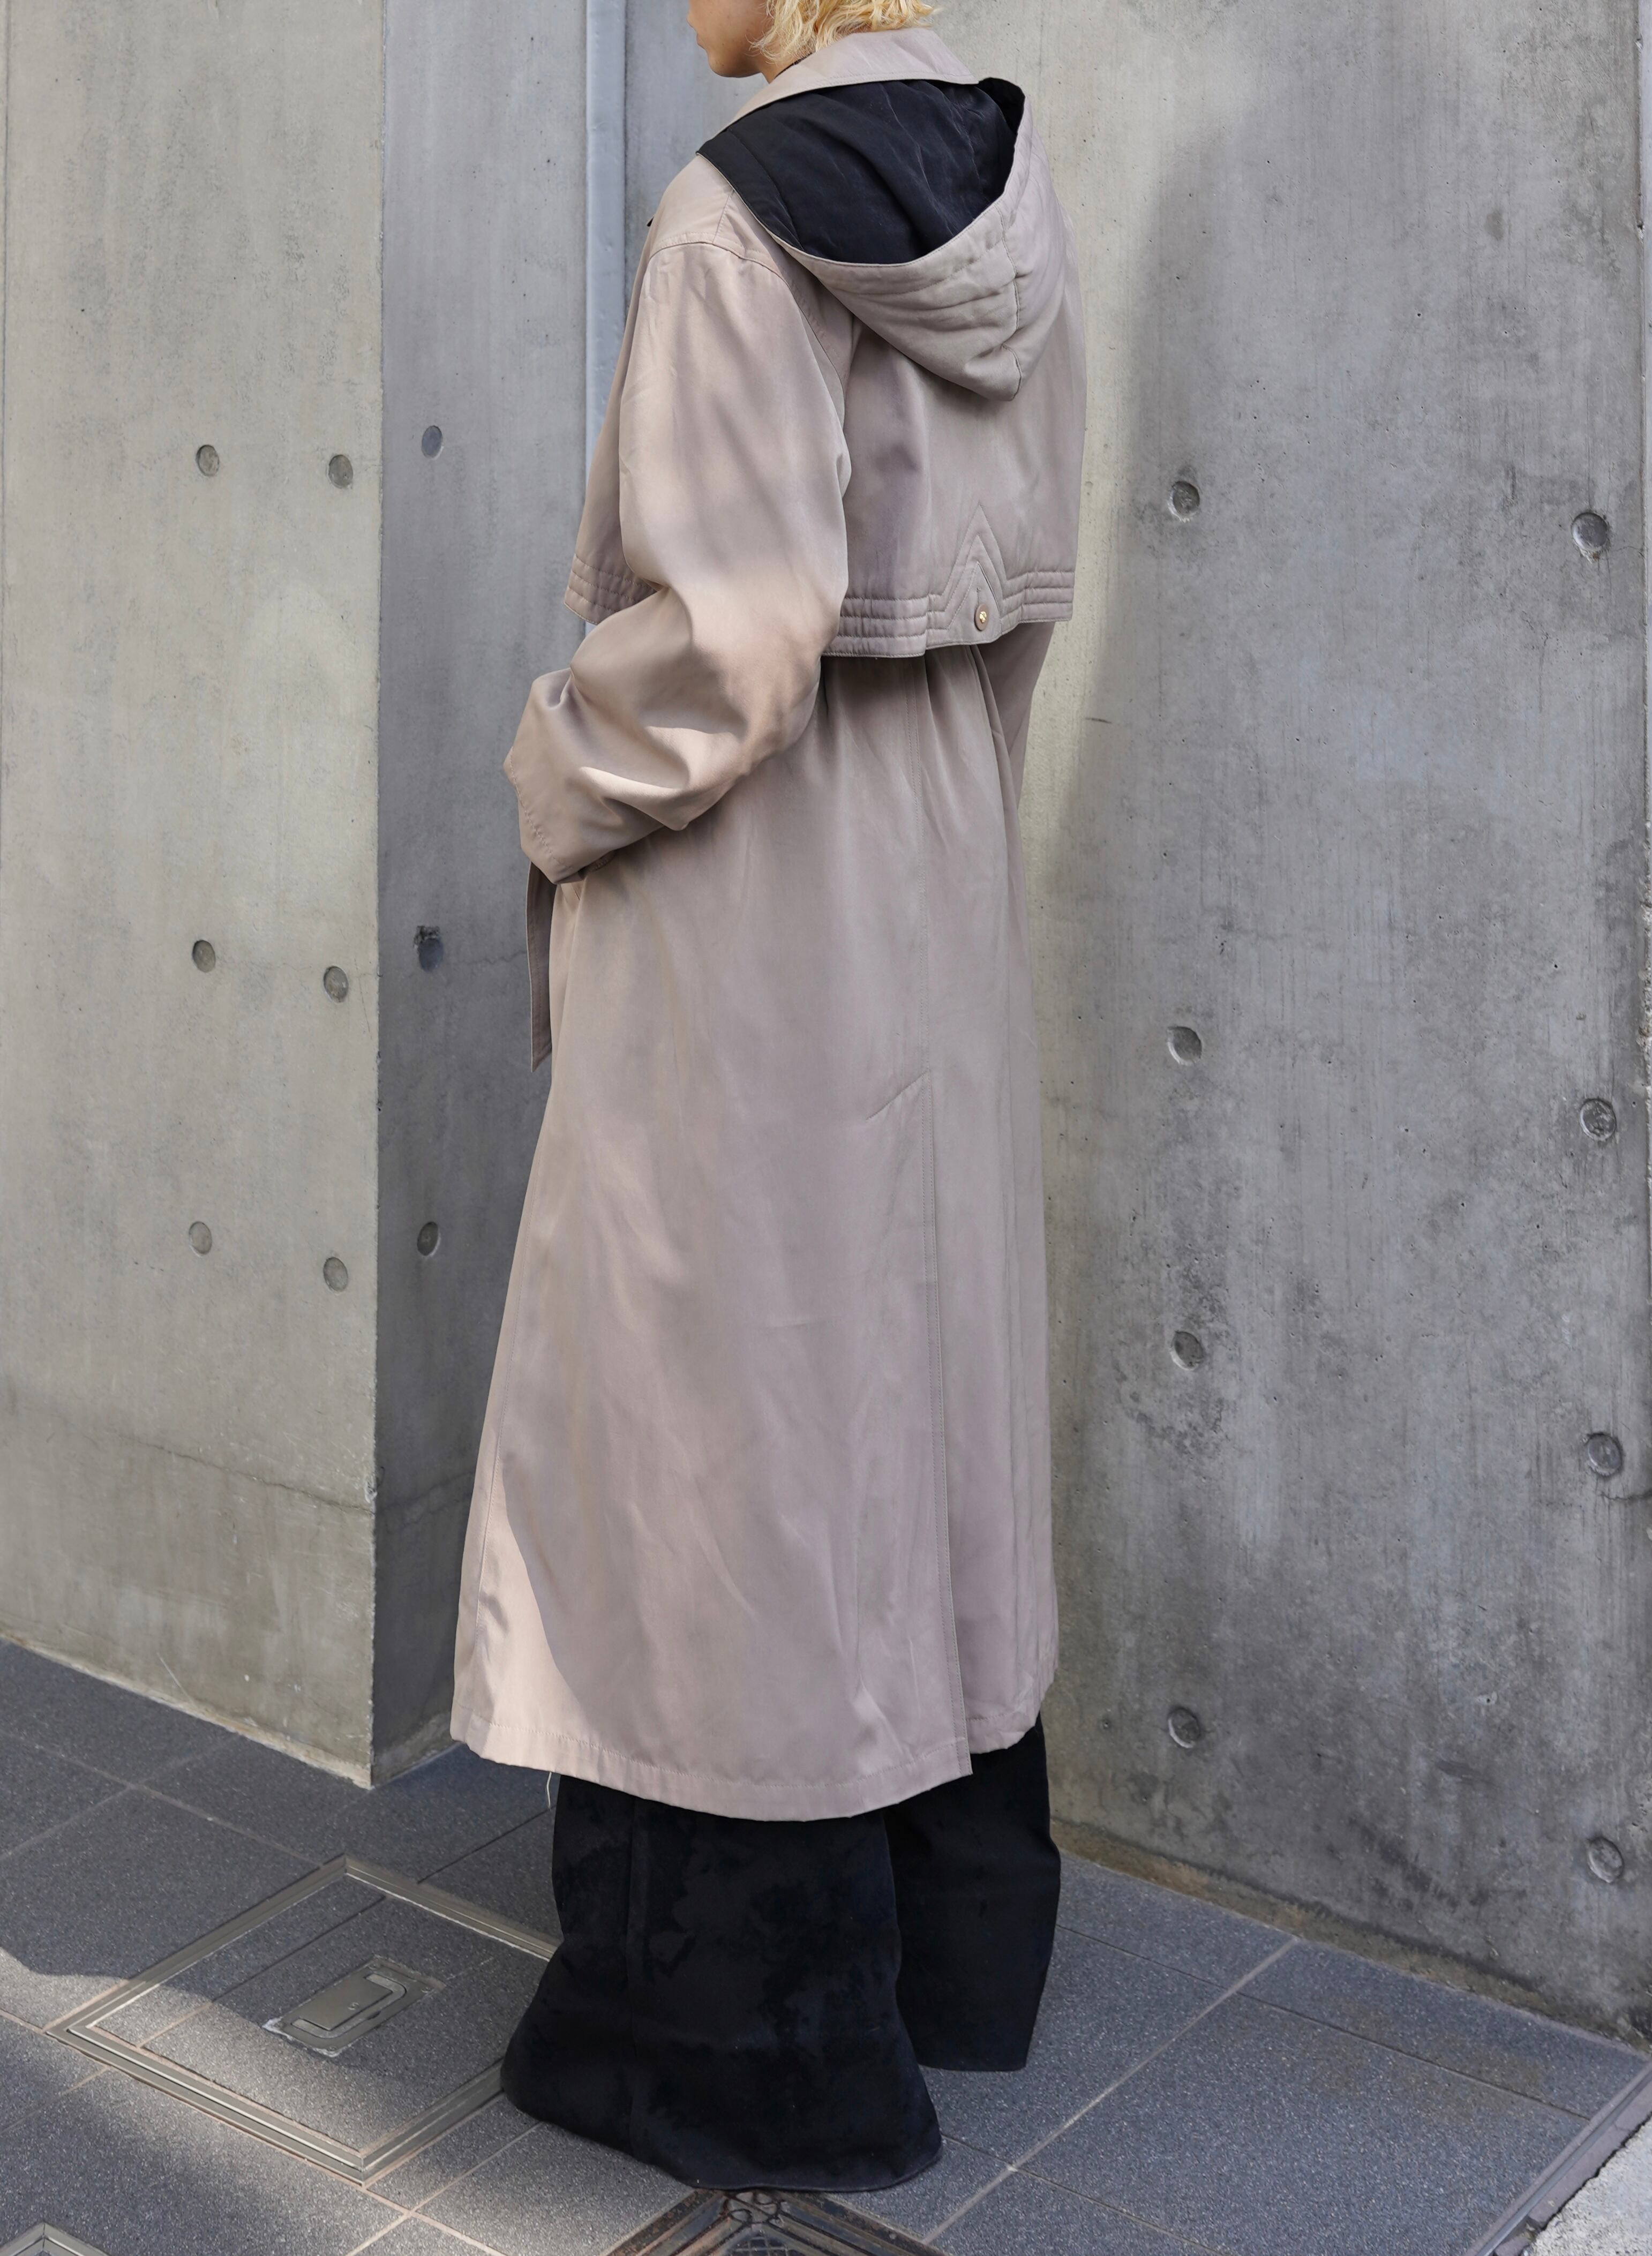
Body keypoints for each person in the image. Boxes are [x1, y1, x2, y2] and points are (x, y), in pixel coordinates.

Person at [452, 0, 1086, 2192]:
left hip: (755, 898)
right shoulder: (1006, 176)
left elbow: (730, 637)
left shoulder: (734, 216)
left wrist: (555, 765)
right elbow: (1021, 585)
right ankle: (955, 1949)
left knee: (718, 1431)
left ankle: (735, 2034)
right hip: (932, 851)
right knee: (903, 1396)